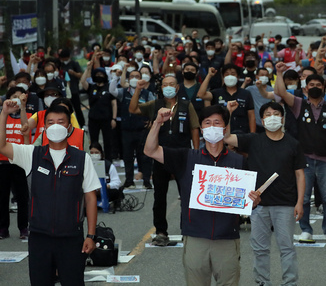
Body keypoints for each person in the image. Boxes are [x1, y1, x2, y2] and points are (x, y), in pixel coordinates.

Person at [143, 104, 260, 286]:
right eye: (207, 123)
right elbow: (150, 150)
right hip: (195, 237)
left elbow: (248, 202)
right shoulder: (186, 157)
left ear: (225, 128)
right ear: (201, 129)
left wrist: (254, 201)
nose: (212, 127)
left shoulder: (239, 161)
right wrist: (157, 123)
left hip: (227, 238)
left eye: (217, 123)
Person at [0, 103, 100, 285]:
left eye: (60, 121)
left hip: (71, 238)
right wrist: (4, 113)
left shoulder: (82, 158)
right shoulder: (32, 154)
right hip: (39, 237)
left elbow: (90, 198)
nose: (55, 126)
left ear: (69, 127)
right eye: (50, 122)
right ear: (44, 127)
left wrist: (91, 235)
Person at [223, 102, 306, 286]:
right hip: (258, 205)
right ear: (262, 120)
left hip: (285, 204)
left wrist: (300, 202)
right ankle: (262, 282)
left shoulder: (293, 144)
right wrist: (228, 113)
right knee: (260, 249)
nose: (272, 117)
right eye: (268, 114)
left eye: (276, 113)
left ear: (282, 118)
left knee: (287, 248)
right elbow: (226, 138)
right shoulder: (253, 140)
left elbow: (300, 174)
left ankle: (290, 283)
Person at [272, 62, 326, 242]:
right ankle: (305, 230)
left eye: (319, 85)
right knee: (303, 198)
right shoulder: (298, 104)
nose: (315, 88)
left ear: (324, 88)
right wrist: (279, 73)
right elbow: (280, 92)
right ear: (306, 87)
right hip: (305, 159)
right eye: (312, 85)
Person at [129, 76, 201, 245]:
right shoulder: (155, 104)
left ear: (177, 87)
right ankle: (161, 231)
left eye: (171, 84)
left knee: (186, 195)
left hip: (183, 154)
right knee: (159, 195)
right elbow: (133, 109)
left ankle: (188, 229)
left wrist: (196, 153)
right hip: (160, 155)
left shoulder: (186, 105)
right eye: (165, 85)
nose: (168, 87)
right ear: (161, 87)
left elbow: (194, 129)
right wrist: (138, 89)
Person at [0, 87, 30, 240]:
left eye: (19, 96)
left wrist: (22, 107)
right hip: (2, 161)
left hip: (19, 160)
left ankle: (23, 227)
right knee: (3, 195)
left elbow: (25, 128)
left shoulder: (25, 115)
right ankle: (3, 228)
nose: (16, 99)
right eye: (13, 96)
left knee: (22, 196)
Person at [110, 68, 155, 189]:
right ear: (129, 79)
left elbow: (153, 108)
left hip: (142, 130)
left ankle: (146, 181)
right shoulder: (123, 92)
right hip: (126, 130)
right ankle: (129, 181)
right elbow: (112, 90)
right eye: (132, 76)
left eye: (137, 76)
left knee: (144, 156)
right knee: (128, 157)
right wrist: (116, 77)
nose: (134, 78)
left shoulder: (147, 93)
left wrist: (152, 121)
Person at [81, 65, 117, 160]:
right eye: (97, 74)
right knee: (93, 141)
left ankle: (108, 161)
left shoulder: (109, 87)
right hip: (93, 119)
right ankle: (94, 160)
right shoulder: (91, 87)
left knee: (108, 141)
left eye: (101, 74)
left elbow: (114, 104)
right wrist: (88, 68)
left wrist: (114, 118)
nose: (99, 76)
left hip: (106, 119)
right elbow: (82, 81)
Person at [89, 142, 124, 206]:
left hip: (105, 190)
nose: (94, 155)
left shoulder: (108, 166)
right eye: (91, 153)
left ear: (101, 154)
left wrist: (106, 186)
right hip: (91, 192)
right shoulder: (86, 166)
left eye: (96, 153)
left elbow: (117, 182)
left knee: (117, 192)